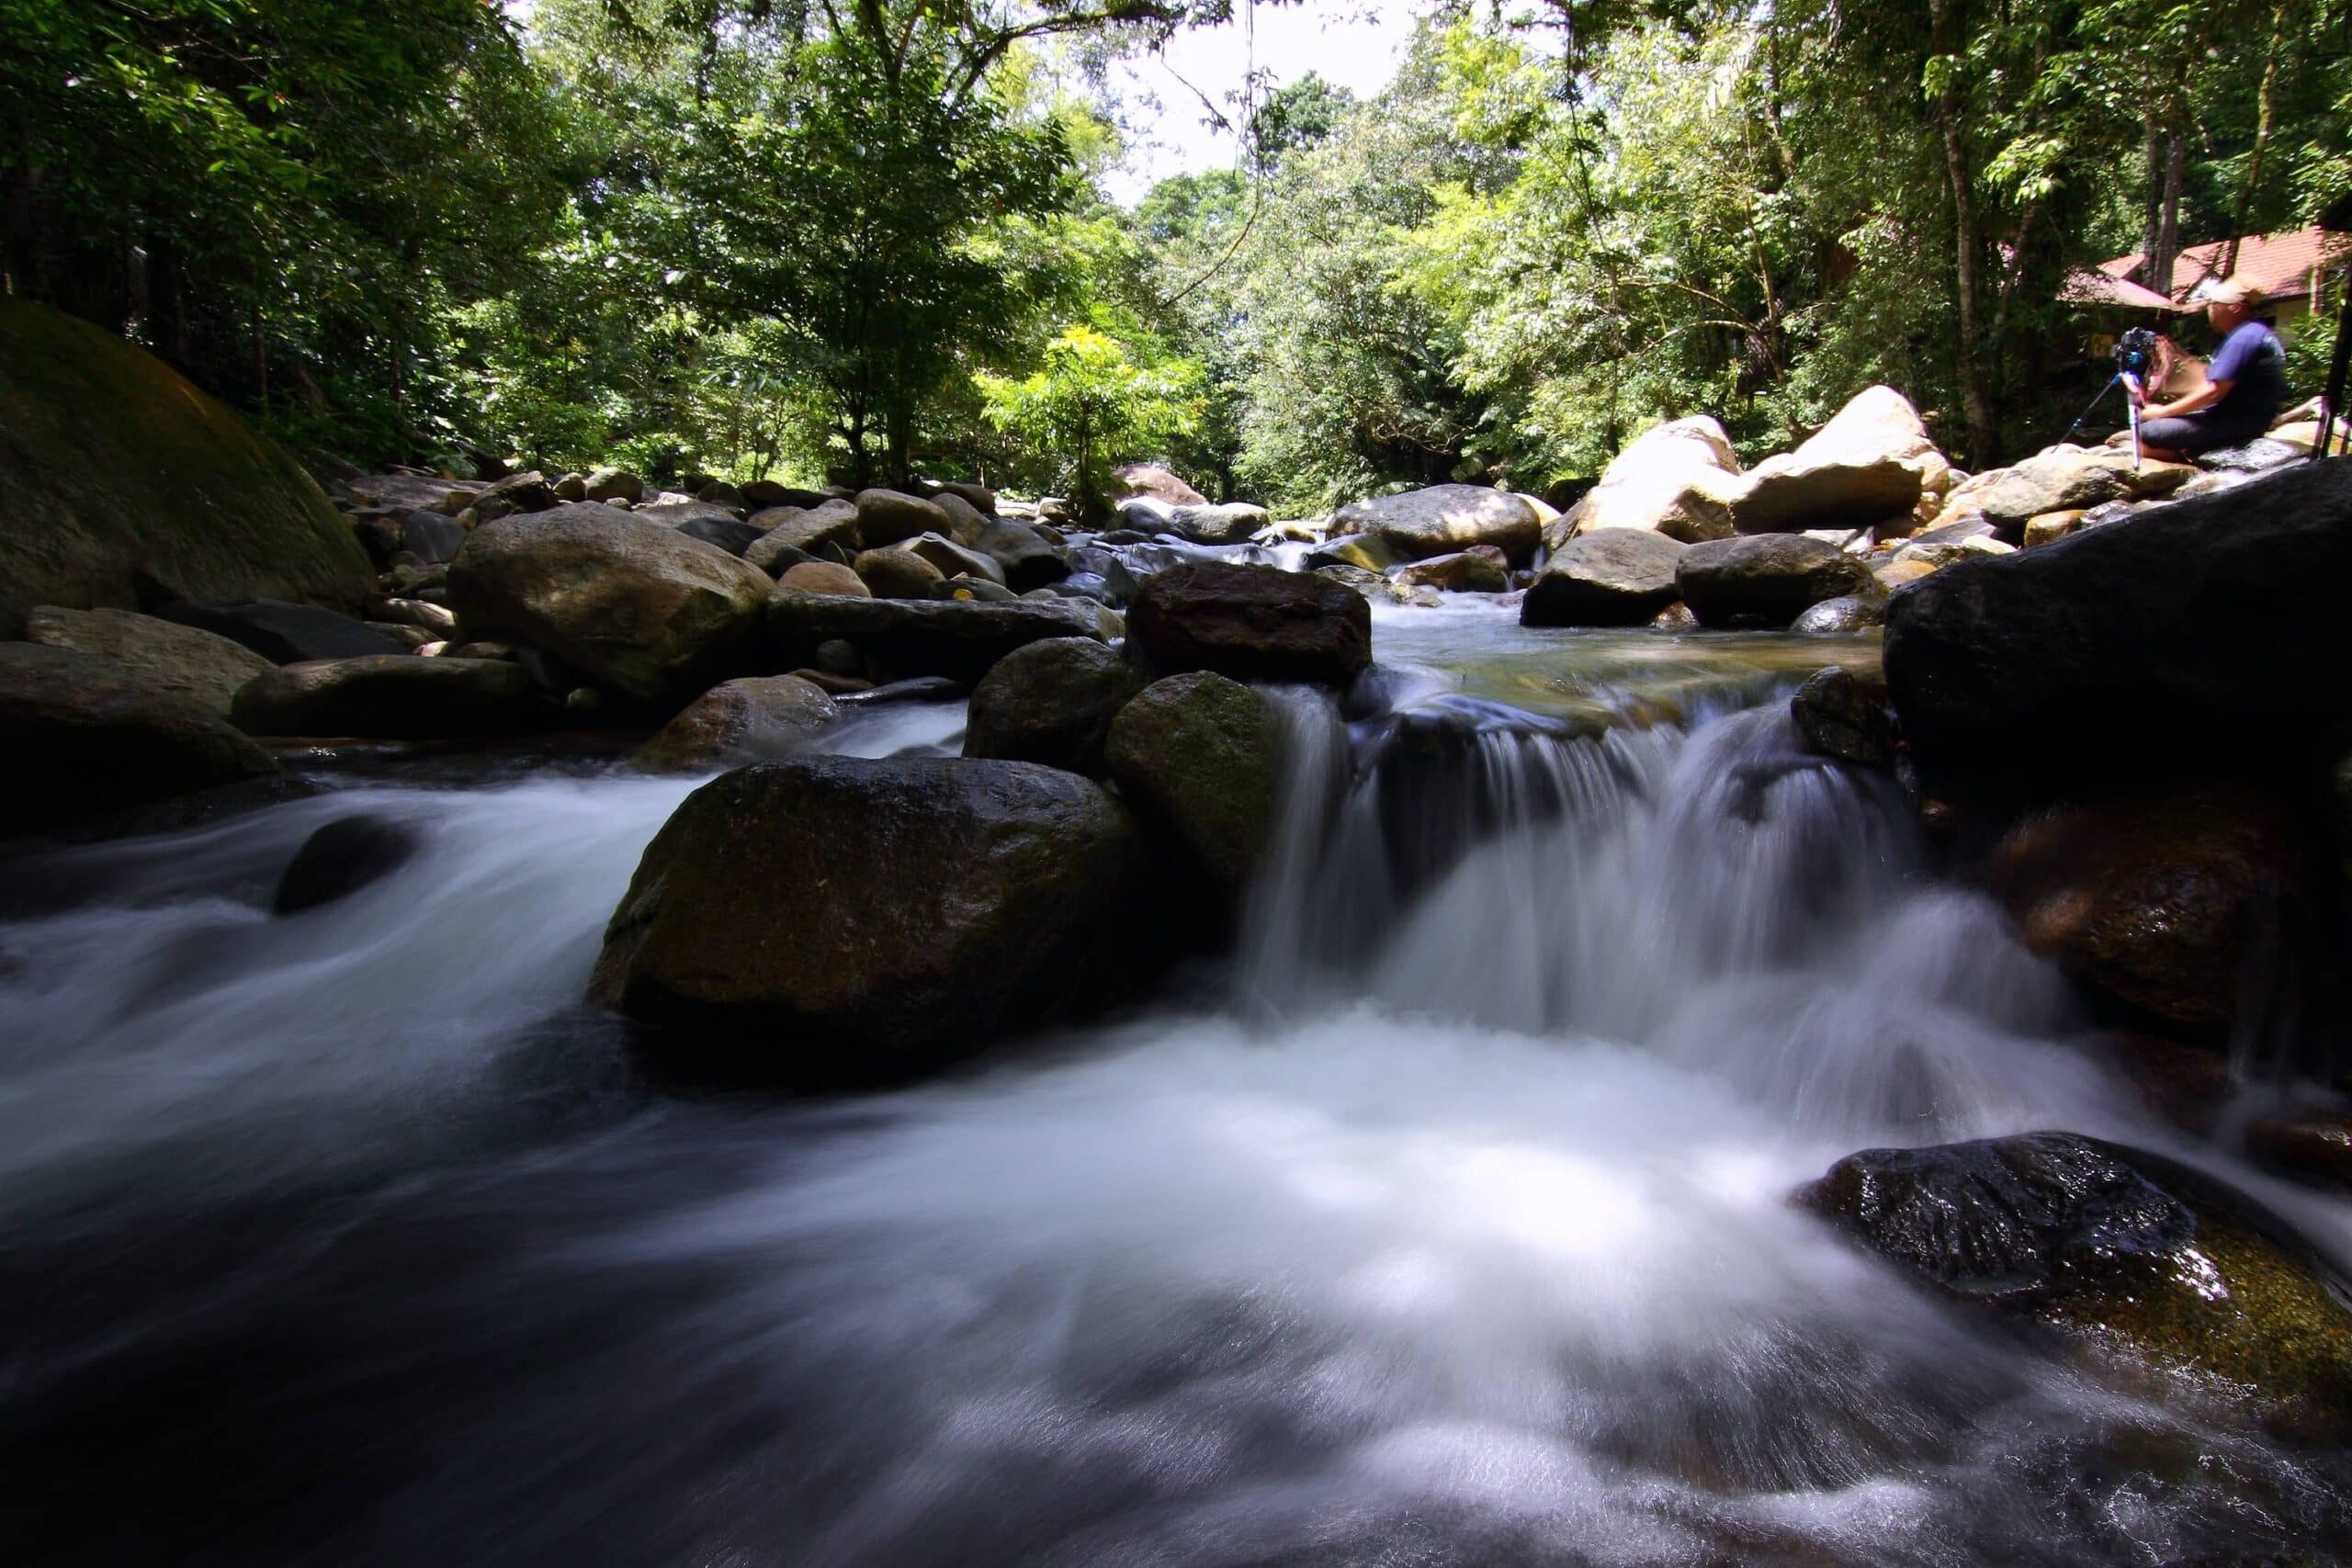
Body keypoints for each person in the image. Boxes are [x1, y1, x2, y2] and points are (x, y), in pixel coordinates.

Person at [2129, 276, 2289, 460]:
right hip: (2250, 418)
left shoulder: (2243, 338)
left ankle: (2187, 465)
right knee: (2166, 426)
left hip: (2238, 421)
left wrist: (2162, 412)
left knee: (2144, 432)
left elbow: (2215, 392)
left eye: (2214, 304)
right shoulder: (2257, 333)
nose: (2210, 309)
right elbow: (2215, 382)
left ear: (2235, 307)